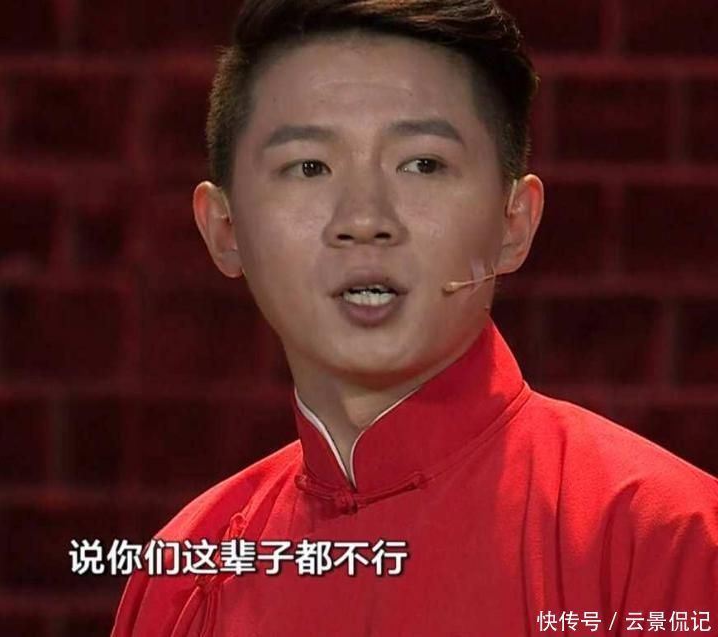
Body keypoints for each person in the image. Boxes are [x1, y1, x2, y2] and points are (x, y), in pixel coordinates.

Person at [111, 0, 718, 635]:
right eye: (309, 167)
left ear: (515, 222)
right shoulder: (185, 572)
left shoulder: (663, 538)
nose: (364, 220)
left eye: (422, 164)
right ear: (224, 228)